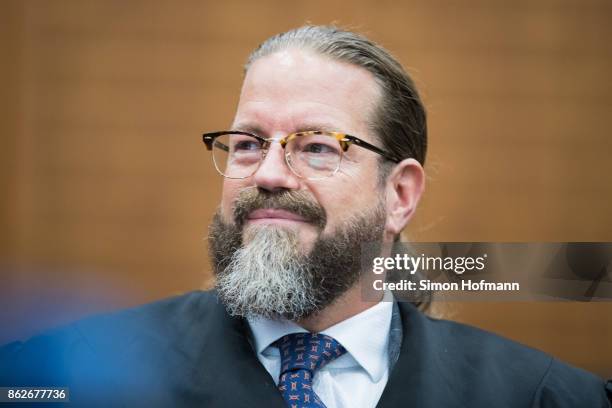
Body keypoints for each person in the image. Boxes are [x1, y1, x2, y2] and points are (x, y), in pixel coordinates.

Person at [1, 25, 610, 408]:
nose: (267, 173)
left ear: (399, 195)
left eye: (317, 147)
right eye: (245, 143)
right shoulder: (71, 379)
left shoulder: (542, 396)